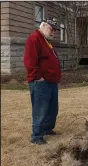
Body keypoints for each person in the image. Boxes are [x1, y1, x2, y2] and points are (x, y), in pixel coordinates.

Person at [24, 17, 62, 145]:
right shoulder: (34, 39)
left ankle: (47, 129)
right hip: (40, 82)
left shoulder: (45, 41)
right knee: (40, 109)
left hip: (51, 81)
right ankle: (37, 136)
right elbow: (30, 62)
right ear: (44, 26)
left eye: (55, 30)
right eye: (52, 29)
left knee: (52, 108)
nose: (53, 32)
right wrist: (38, 77)